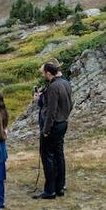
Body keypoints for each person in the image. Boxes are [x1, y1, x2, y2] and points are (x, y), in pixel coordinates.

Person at [34, 62, 73, 200]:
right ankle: (60, 187)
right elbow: (70, 103)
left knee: (47, 156)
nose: (43, 75)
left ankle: (49, 190)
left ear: (48, 73)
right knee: (59, 154)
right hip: (63, 123)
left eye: (43, 73)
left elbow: (51, 111)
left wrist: (46, 130)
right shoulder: (65, 83)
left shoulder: (52, 87)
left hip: (53, 125)